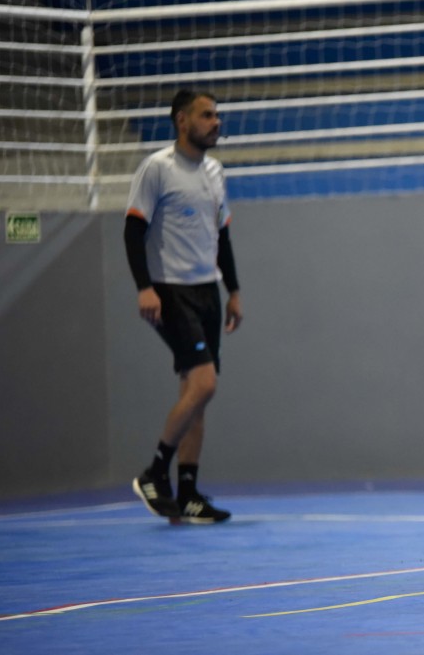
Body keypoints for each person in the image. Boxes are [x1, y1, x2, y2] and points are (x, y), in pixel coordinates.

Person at [125, 89, 242, 524]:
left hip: (207, 292)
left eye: (216, 115)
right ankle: (155, 472)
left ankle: (188, 493)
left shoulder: (214, 171)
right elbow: (133, 230)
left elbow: (222, 235)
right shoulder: (157, 168)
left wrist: (233, 291)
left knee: (196, 395)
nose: (216, 122)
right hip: (170, 291)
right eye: (206, 115)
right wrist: (144, 288)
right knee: (204, 384)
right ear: (182, 121)